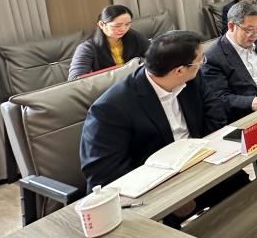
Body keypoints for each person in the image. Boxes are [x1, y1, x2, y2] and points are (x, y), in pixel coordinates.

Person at [80, 30, 227, 194]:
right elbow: (105, 173)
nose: (202, 64)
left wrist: (207, 150)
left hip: (199, 162)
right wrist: (165, 186)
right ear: (179, 70)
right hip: (154, 185)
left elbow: (215, 111)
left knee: (239, 184)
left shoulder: (191, 77)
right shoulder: (109, 109)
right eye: (200, 60)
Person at [200, 1, 257, 120]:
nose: (254, 35)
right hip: (253, 111)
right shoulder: (213, 57)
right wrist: (251, 102)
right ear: (231, 26)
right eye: (249, 30)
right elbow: (220, 98)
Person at [69, 5, 150, 81]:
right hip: (107, 86)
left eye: (127, 24)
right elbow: (75, 79)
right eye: (117, 26)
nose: (123, 29)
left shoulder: (133, 36)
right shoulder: (87, 48)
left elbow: (154, 54)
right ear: (101, 25)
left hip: (133, 80)